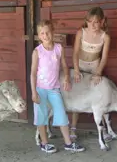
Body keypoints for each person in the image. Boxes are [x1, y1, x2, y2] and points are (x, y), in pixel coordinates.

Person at [30, 20, 85, 153]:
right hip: (40, 89)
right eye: (42, 33)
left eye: (48, 32)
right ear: (39, 35)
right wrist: (34, 93)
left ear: (53, 32)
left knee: (61, 114)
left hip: (54, 89)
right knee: (41, 116)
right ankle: (44, 143)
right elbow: (33, 73)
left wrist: (67, 78)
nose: (45, 35)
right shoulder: (37, 52)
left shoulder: (58, 48)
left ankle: (68, 142)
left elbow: (65, 65)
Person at [70, 7, 112, 142]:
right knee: (77, 94)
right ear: (86, 21)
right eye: (90, 22)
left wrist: (98, 72)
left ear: (102, 21)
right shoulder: (81, 33)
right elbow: (75, 53)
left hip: (95, 66)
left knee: (100, 97)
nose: (93, 25)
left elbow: (104, 58)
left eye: (96, 22)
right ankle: (73, 127)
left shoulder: (105, 36)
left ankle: (104, 129)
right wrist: (76, 69)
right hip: (81, 65)